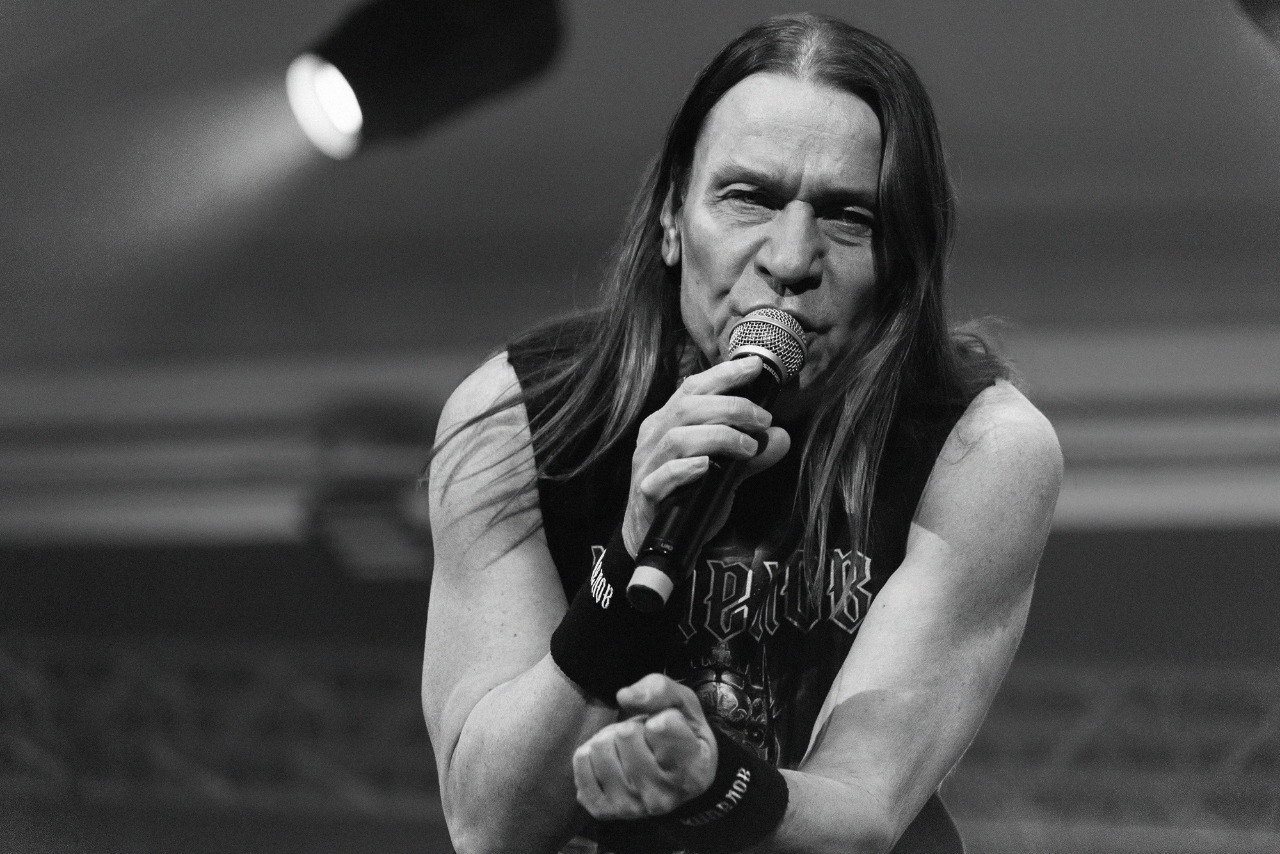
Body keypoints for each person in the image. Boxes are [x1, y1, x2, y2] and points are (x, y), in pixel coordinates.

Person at [421, 13, 1062, 854]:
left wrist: (713, 784)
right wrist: (631, 549)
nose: (790, 259)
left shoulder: (979, 449)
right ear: (671, 218)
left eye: (848, 216)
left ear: (902, 258)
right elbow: (489, 822)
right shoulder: (519, 418)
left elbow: (862, 810)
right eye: (749, 197)